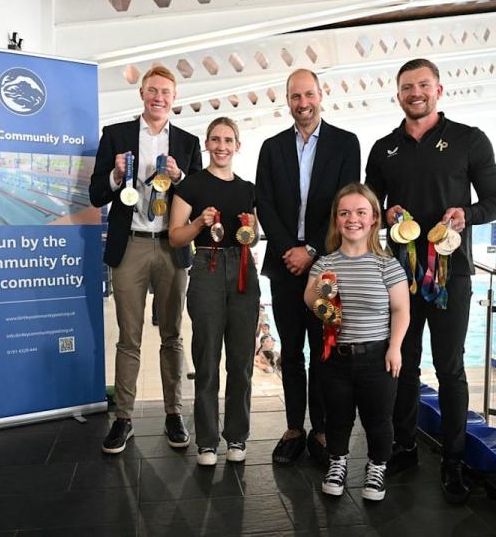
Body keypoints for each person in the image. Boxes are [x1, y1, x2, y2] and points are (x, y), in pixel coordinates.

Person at [364, 58, 496, 504]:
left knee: (449, 368)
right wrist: (382, 214)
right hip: (400, 275)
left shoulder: (469, 139)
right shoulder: (384, 147)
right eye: (407, 87)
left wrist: (468, 215)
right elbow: (368, 205)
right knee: (401, 364)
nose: (415, 92)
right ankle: (405, 447)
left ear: (439, 90)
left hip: (451, 273)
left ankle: (453, 461)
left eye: (423, 85)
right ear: (398, 94)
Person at [88, 65, 202, 454]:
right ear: (141, 94)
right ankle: (123, 419)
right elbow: (94, 195)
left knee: (172, 335)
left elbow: (199, 199)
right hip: (130, 245)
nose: (159, 97)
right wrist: (117, 176)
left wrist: (182, 178)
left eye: (166, 92)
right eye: (152, 90)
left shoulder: (187, 141)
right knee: (129, 338)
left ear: (174, 97)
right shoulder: (115, 136)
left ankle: (174, 413)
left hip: (172, 246)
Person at [256, 68, 361, 466]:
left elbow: (346, 202)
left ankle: (320, 429)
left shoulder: (346, 144)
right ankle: (293, 428)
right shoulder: (271, 147)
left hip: (328, 265)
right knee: (292, 352)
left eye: (309, 95)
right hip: (285, 267)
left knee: (323, 350)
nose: (303, 103)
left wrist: (313, 250)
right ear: (288, 100)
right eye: (295, 97)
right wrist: (291, 251)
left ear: (321, 94)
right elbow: (264, 203)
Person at [304, 183, 409, 501]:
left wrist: (395, 347)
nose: (353, 219)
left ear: (374, 218)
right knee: (337, 418)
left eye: (361, 212)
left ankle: (377, 468)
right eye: (345, 212)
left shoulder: (387, 264)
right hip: (336, 357)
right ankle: (337, 463)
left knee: (379, 420)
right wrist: (323, 294)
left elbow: (402, 308)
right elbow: (309, 298)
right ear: (336, 219)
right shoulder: (325, 263)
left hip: (377, 357)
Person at [168, 116, 260, 466]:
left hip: (242, 269)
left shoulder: (248, 189)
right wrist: (198, 223)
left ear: (238, 146)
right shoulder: (190, 186)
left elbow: (254, 234)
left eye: (228, 140)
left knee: (241, 361)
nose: (222, 146)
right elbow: (175, 236)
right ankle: (207, 441)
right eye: (215, 139)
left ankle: (236, 437)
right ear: (206, 144)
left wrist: (252, 226)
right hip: (206, 266)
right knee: (207, 360)